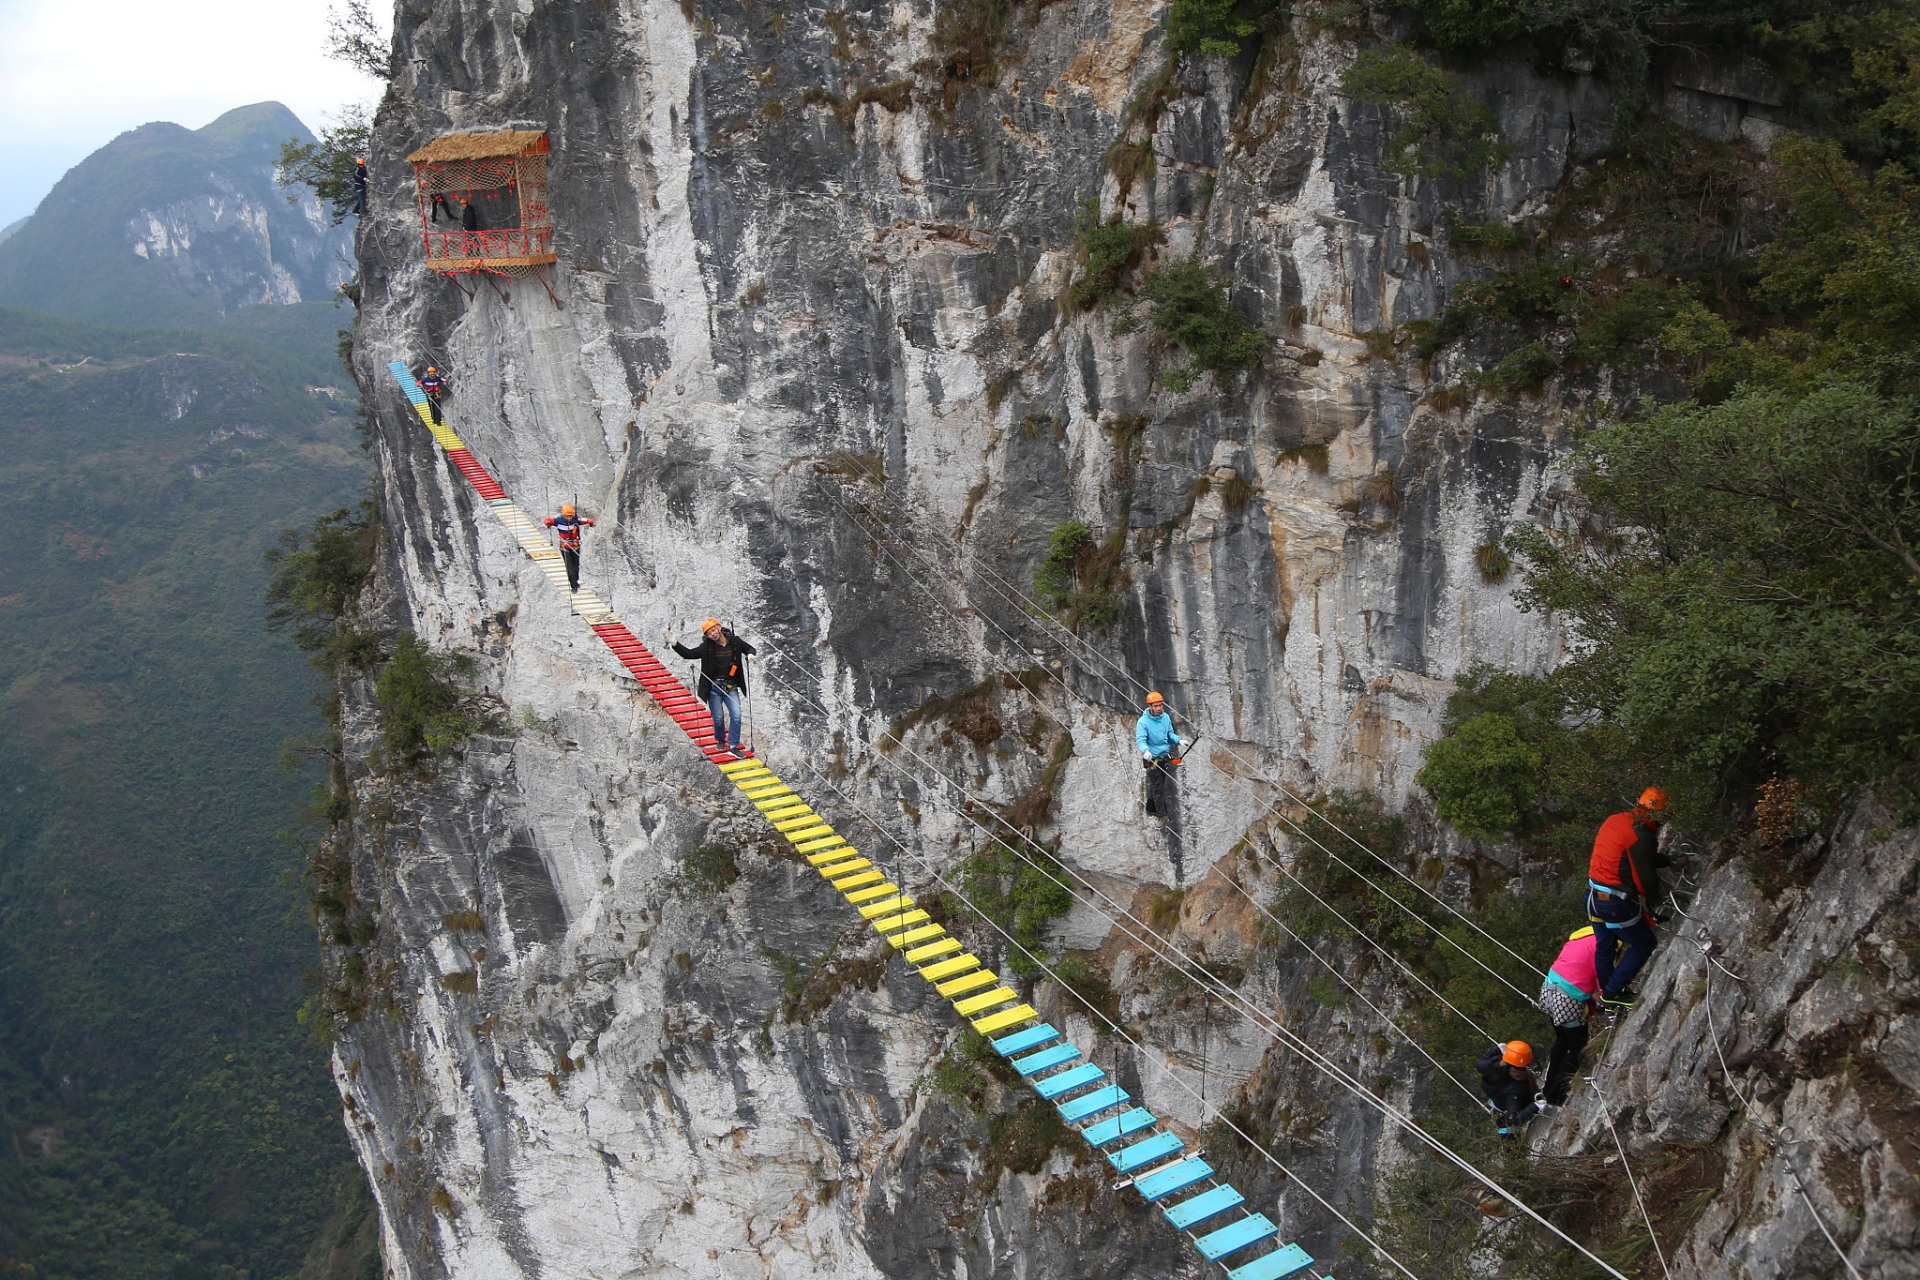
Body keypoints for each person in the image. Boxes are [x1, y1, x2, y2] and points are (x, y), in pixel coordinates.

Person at [1585, 788, 1671, 1010]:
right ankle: (1613, 992)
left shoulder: (1617, 820)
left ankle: (1607, 994)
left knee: (1606, 947)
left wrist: (1667, 861)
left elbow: (1636, 856)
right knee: (1644, 943)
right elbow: (1645, 880)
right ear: (1658, 815)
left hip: (1593, 896)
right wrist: (1656, 901)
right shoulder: (1642, 835)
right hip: (1614, 903)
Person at [1537, 926, 1607, 1105]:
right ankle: (1556, 1094)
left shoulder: (1581, 937)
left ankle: (1547, 1088)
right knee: (1578, 1046)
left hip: (1549, 988)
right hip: (1566, 999)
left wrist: (1592, 1003)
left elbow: (1577, 972)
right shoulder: (1604, 945)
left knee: (1562, 1040)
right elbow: (1603, 980)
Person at [673, 619, 756, 757]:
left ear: (719, 627)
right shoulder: (707, 647)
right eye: (708, 633)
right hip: (714, 687)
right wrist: (675, 644)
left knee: (736, 715)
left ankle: (733, 746)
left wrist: (751, 654)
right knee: (718, 718)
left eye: (713, 630)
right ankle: (721, 739)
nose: (712, 634)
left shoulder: (735, 642)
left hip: (730, 686)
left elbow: (749, 648)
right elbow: (689, 654)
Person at [1135, 691, 1189, 819]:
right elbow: (1141, 740)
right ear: (1150, 707)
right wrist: (1146, 751)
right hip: (1151, 758)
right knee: (1158, 787)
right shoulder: (1143, 722)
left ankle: (1150, 808)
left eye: (1160, 705)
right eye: (1156, 706)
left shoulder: (1165, 718)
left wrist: (1179, 740)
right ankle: (1162, 815)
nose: (1159, 708)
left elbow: (1170, 734)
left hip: (1163, 757)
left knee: (1157, 785)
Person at [1475, 1041, 1541, 1135]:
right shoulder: (1516, 1088)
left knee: (1503, 1125)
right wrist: (1535, 1106)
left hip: (1498, 1100)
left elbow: (1480, 1065)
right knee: (1506, 1125)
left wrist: (1497, 1049)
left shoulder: (1495, 1064)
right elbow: (1512, 1119)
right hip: (1514, 1104)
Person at [543, 504, 595, 593]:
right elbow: (547, 520)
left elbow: (586, 520)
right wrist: (548, 524)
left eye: (570, 516)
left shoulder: (576, 520)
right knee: (570, 568)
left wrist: (591, 522)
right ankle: (573, 586)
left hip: (575, 546)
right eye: (567, 516)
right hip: (565, 547)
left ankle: (576, 581)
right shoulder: (558, 521)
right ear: (563, 515)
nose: (569, 518)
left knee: (576, 566)